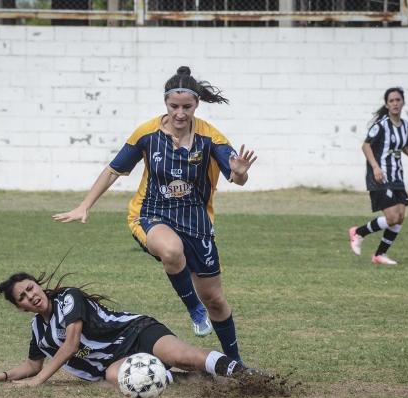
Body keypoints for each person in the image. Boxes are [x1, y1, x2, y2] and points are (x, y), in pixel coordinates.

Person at [53, 66, 257, 364]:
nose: (180, 113)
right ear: (165, 104)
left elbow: (236, 176)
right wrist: (85, 205)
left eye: (187, 107)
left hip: (197, 223)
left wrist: (240, 174)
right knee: (171, 251)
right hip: (150, 214)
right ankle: (193, 310)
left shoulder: (210, 137)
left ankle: (236, 364)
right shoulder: (147, 134)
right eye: (174, 106)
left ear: (197, 105)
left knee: (215, 300)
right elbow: (113, 170)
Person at [0, 270, 247, 387]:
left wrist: (38, 383)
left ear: (38, 285)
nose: (30, 296)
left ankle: (246, 375)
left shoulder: (69, 298)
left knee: (183, 356)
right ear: (21, 308)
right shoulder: (39, 330)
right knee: (114, 376)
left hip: (137, 332)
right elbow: (32, 365)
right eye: (22, 297)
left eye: (30, 288)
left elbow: (70, 345)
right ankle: (198, 381)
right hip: (115, 359)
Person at [348, 87, 408, 265]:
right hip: (380, 176)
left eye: (398, 100)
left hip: (397, 177)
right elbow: (366, 146)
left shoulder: (405, 126)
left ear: (402, 102)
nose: (395, 103)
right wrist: (375, 167)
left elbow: (406, 147)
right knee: (391, 218)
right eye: (391, 101)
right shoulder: (381, 125)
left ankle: (379, 255)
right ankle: (358, 233)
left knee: (400, 216)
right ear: (387, 105)